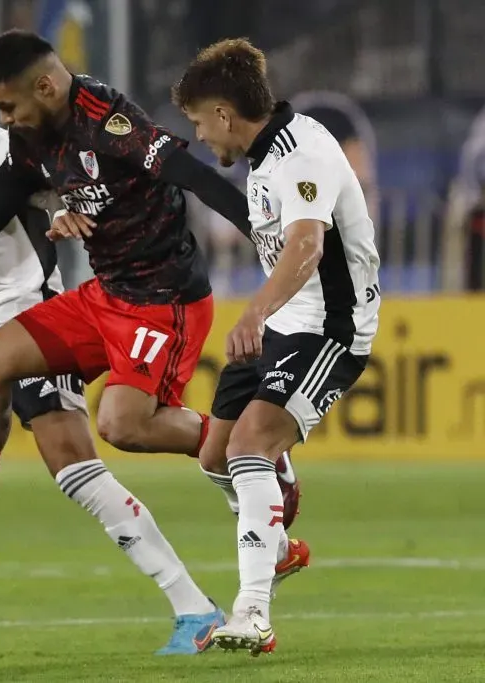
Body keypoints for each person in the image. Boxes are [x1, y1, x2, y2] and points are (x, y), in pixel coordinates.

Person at [0, 50, 226, 655]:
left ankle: (195, 607)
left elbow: (67, 178)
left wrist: (66, 211)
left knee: (78, 472)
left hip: (31, 322)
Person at [0, 31, 299, 588]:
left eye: (7, 106)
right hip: (106, 295)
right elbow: (13, 181)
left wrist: (261, 235)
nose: (3, 118)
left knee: (122, 425)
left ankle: (253, 453)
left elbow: (193, 176)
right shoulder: (33, 130)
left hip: (163, 302)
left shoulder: (110, 122)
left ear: (45, 86)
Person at [172, 38, 380, 655]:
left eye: (199, 123)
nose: (203, 137)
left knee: (248, 448)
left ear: (224, 114)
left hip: (330, 327)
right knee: (215, 456)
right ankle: (280, 545)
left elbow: (307, 247)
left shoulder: (305, 150)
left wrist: (255, 311)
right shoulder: (263, 158)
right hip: (285, 320)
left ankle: (252, 615)